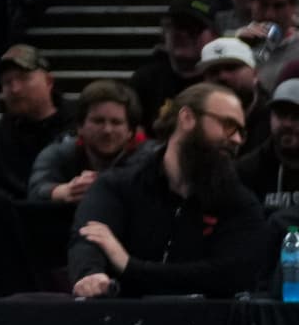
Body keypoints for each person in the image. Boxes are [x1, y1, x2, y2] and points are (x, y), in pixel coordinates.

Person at [67, 83, 269, 297]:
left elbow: (228, 275)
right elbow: (88, 238)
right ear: (187, 118)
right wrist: (91, 274)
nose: (236, 139)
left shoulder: (239, 203)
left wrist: (130, 266)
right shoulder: (117, 186)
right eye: (228, 125)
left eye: (241, 132)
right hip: (122, 321)